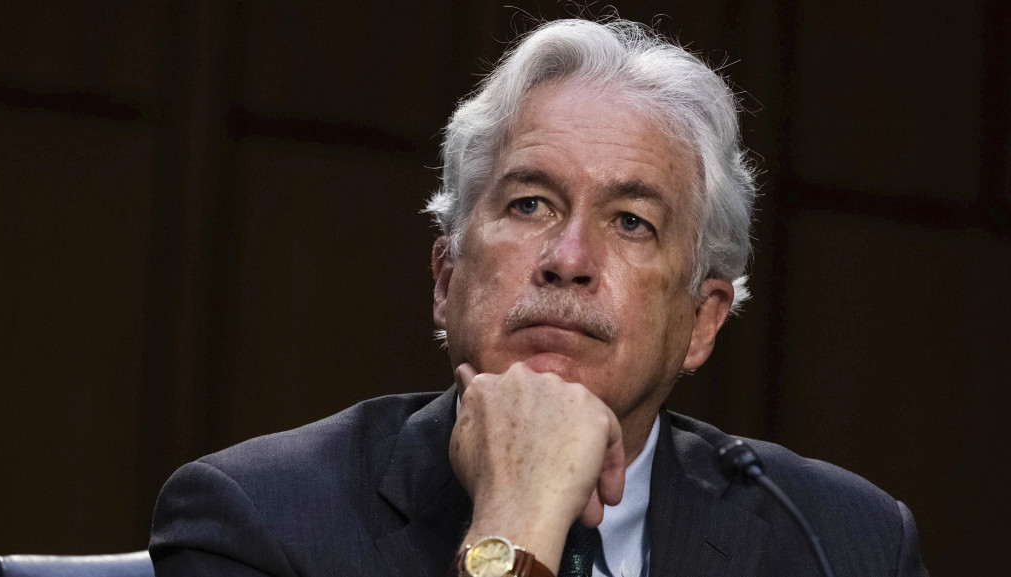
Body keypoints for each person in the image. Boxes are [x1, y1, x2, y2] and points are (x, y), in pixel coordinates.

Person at [149, 18, 928, 577]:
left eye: (631, 221)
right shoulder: (258, 519)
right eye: (529, 205)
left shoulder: (844, 543)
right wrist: (515, 524)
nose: (568, 260)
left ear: (701, 321)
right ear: (446, 278)